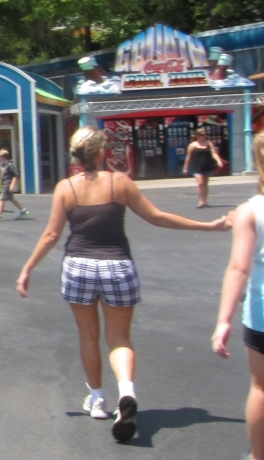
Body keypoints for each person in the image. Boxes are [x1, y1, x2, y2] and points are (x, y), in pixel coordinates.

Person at [15, 126, 231, 443]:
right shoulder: (120, 183)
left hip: (78, 267)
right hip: (118, 266)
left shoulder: (65, 189)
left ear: (76, 155)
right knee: (119, 338)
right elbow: (157, 217)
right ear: (101, 152)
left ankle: (97, 400)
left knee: (88, 335)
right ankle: (126, 392)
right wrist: (208, 226)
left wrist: (27, 268)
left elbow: (51, 235)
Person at [211, 129, 264, 460]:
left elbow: (239, 268)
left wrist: (223, 321)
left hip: (261, 315)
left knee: (261, 386)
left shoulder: (250, 212)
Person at [183, 127, 225, 208]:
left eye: (205, 134)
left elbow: (214, 153)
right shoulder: (192, 145)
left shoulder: (208, 143)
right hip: (197, 167)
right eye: (202, 135)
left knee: (205, 184)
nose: (204, 136)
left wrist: (218, 161)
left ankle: (205, 201)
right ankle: (201, 201)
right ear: (197, 135)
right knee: (200, 183)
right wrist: (185, 168)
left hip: (207, 165)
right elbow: (188, 157)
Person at [0, 149, 29, 221]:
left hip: (7, 184)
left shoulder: (10, 165)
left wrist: (12, 185)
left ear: (3, 157)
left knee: (1, 198)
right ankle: (23, 210)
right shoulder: (1, 164)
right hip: (3, 183)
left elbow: (16, 176)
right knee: (11, 198)